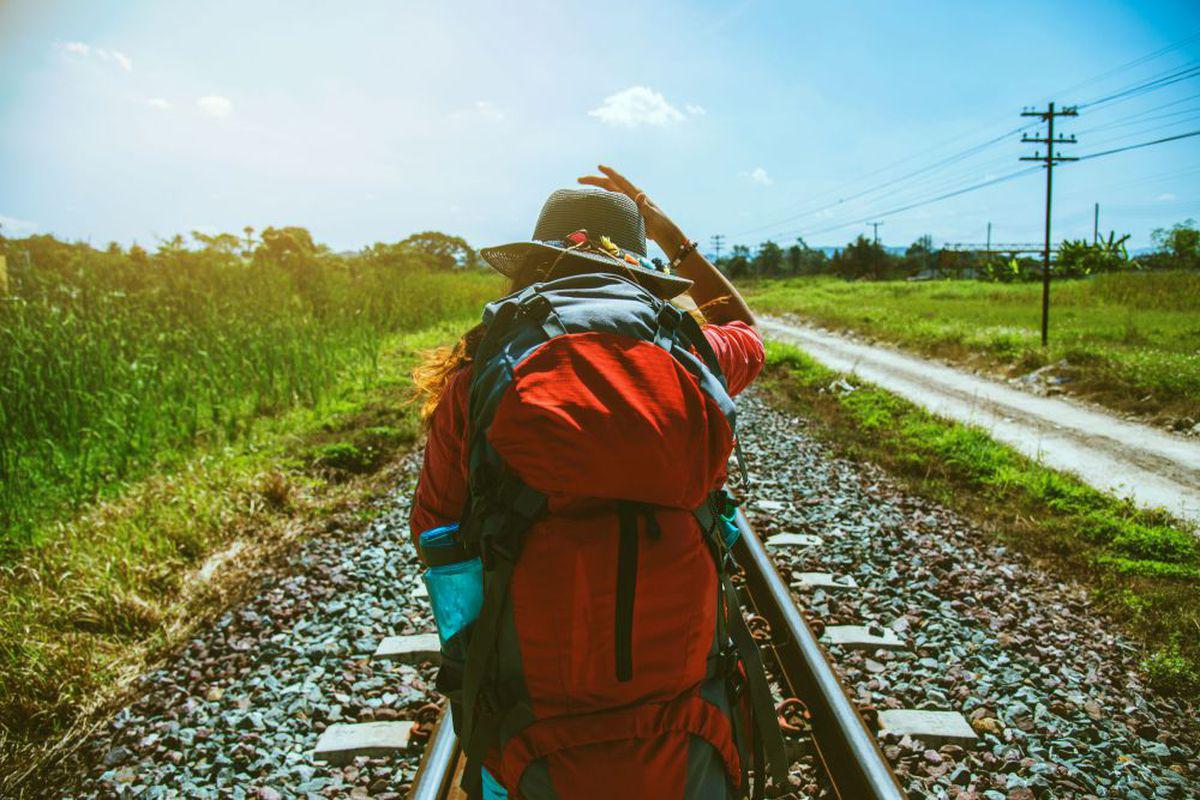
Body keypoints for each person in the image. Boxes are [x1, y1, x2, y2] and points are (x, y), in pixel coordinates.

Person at [410, 166, 780, 800]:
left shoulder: (477, 375)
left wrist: (479, 676)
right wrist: (670, 232)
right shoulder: (694, 351)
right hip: (681, 702)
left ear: (531, 268)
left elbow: (441, 539)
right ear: (637, 270)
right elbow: (751, 334)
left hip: (534, 701)